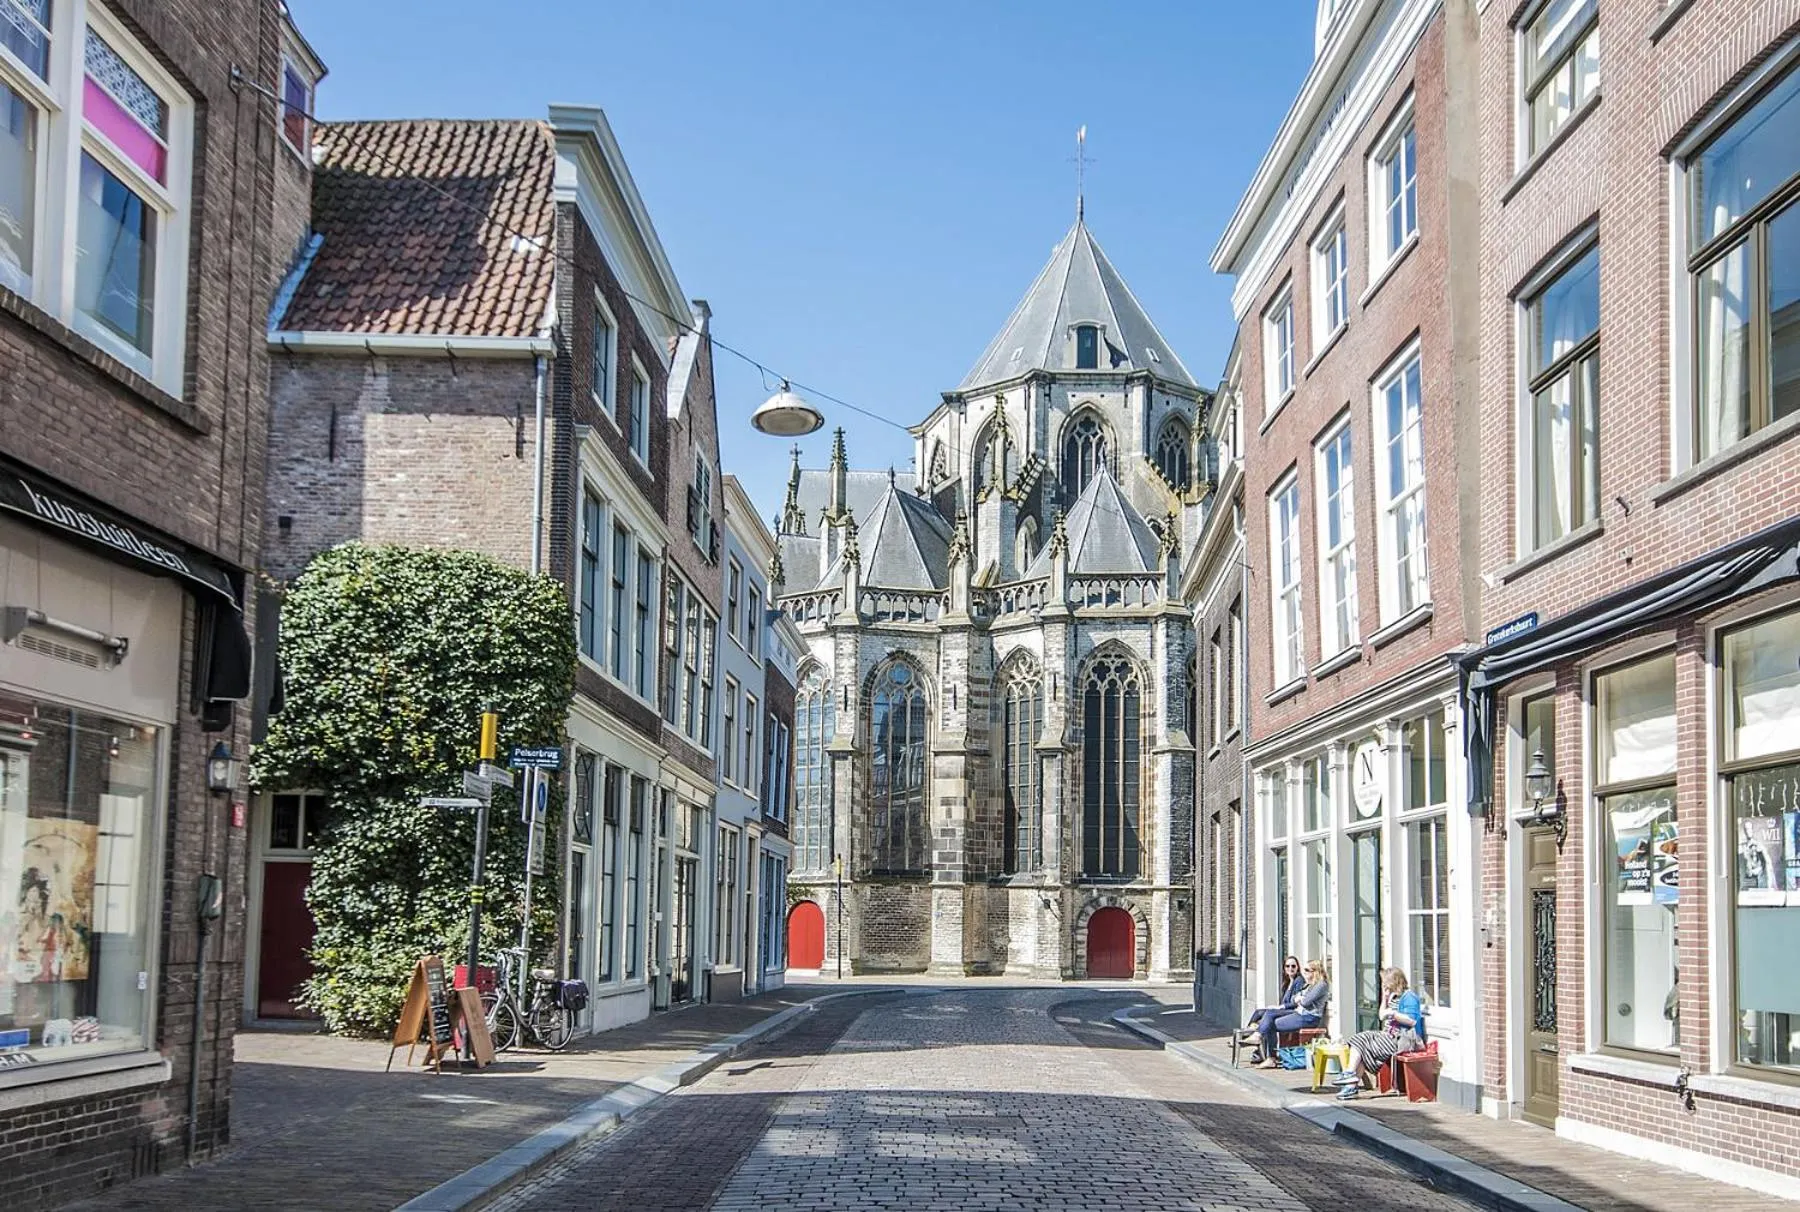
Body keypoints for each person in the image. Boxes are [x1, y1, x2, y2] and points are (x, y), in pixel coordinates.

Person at [1333, 967, 1425, 1099]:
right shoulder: (1393, 996)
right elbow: (1381, 1016)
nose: (1384, 985)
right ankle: (1350, 1084)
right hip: (1388, 1035)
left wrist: (1394, 1014)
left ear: (1395, 981)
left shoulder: (1409, 997)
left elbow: (1412, 1021)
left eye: (1386, 982)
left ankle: (1349, 1077)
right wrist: (1385, 998)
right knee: (1360, 1043)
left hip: (1401, 1039)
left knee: (1362, 1041)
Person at [1254, 959, 1329, 1066]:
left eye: (1307, 970)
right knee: (1270, 1014)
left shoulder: (1321, 985)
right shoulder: (1311, 984)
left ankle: (1271, 1057)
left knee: (1270, 1025)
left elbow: (1306, 1002)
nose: (1305, 973)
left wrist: (1301, 998)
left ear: (1315, 971)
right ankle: (1259, 1037)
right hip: (1300, 1013)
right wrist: (1300, 998)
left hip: (1309, 1017)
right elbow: (1295, 998)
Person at [1237, 956, 1303, 1043]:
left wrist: (1280, 1007)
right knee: (1259, 1012)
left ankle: (1249, 1037)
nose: (1290, 968)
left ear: (1297, 967)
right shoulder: (1287, 982)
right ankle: (1248, 1034)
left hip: (1292, 1011)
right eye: (1287, 966)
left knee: (1268, 1017)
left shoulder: (1299, 981)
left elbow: (1296, 1003)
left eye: (1293, 966)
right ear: (1284, 968)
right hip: (1285, 1009)